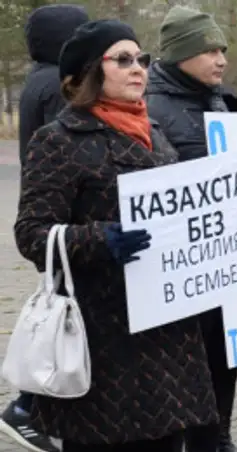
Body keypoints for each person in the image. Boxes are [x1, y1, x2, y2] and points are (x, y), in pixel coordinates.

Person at [13, 18, 237, 451]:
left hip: (171, 336)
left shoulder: (154, 134)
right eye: (122, 59)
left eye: (141, 58)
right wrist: (100, 239)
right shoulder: (58, 140)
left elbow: (188, 214)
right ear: (88, 72)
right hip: (105, 339)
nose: (138, 68)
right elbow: (31, 234)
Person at [144, 6, 237, 451]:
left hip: (223, 260)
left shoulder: (220, 100)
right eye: (209, 51)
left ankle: (219, 435)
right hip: (178, 267)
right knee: (186, 366)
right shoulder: (151, 107)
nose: (221, 60)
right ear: (180, 53)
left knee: (225, 356)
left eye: (222, 50)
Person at [2, 5, 88, 452]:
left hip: (53, 214)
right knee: (66, 317)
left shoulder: (40, 79)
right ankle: (26, 407)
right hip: (66, 219)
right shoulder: (58, 85)